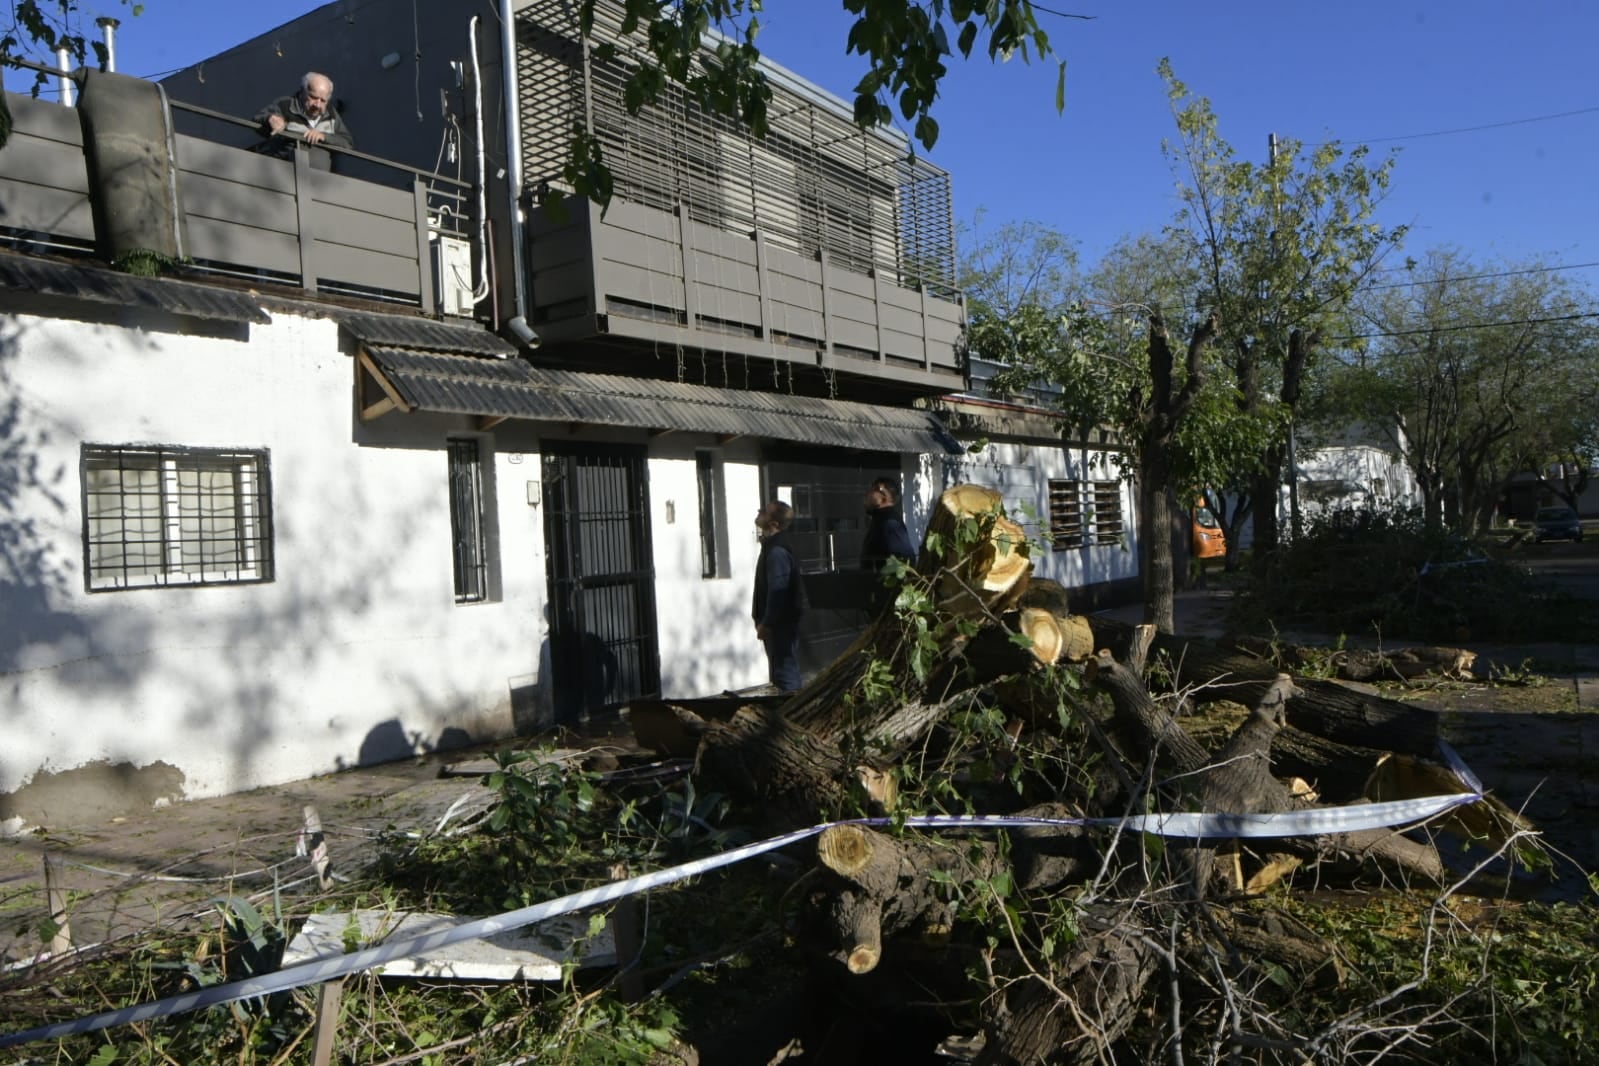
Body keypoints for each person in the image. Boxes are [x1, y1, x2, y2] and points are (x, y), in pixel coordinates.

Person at [751, 500, 806, 692]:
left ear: (774, 523)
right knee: (780, 671)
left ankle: (795, 711)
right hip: (778, 625)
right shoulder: (771, 547)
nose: (759, 511)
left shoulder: (777, 552)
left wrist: (767, 623)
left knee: (785, 673)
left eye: (765, 511)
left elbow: (778, 591)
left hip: (780, 626)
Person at [254, 72, 354, 172]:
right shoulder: (285, 105)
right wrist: (270, 118)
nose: (317, 105)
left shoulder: (331, 113)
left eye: (323, 100)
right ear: (302, 92)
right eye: (313, 97)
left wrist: (323, 136)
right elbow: (257, 119)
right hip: (283, 175)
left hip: (320, 181)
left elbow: (347, 143)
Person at [860, 476, 915, 612]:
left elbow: (904, 561)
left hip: (888, 605)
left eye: (872, 489)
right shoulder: (881, 521)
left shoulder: (890, 523)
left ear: (883, 495)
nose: (867, 494)